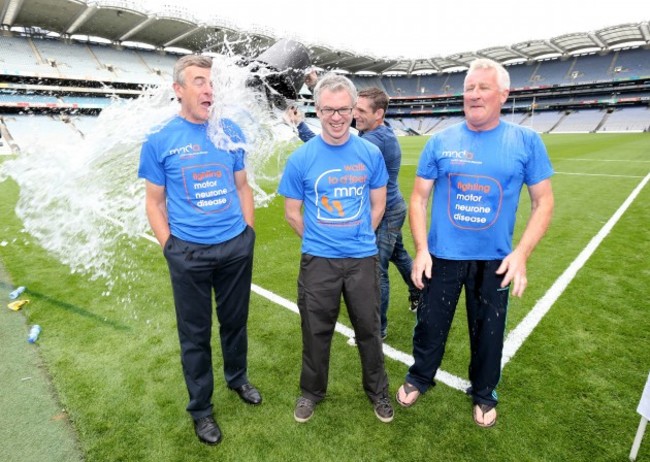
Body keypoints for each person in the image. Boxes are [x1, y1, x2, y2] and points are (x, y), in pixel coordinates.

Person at [395, 58, 554, 428]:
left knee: (489, 332)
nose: (474, 94)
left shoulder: (526, 142)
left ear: (503, 94)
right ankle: (420, 375)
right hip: (442, 256)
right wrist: (420, 249)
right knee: (430, 325)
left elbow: (543, 202)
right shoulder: (441, 141)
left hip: (495, 259)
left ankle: (484, 392)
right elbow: (418, 198)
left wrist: (522, 253)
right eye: (469, 88)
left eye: (483, 87)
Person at [138, 54, 262, 446]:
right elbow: (154, 202)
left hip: (234, 248)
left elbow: (242, 186)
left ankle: (237, 378)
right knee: (195, 335)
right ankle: (201, 409)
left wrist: (248, 234)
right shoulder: (160, 138)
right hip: (188, 254)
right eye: (199, 81)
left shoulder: (228, 131)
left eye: (211, 82)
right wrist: (170, 247)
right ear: (179, 90)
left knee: (234, 322)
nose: (209, 89)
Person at [278, 72, 394, 424]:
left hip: (361, 259)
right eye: (329, 110)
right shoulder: (302, 159)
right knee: (315, 331)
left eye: (344, 109)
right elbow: (292, 213)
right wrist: (320, 241)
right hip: (318, 261)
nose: (337, 117)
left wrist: (359, 236)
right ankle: (311, 392)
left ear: (353, 109)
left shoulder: (370, 153)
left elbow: (379, 204)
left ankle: (379, 392)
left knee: (369, 330)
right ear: (317, 109)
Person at [286, 87, 422, 341]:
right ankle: (420, 290)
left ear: (378, 114)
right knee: (399, 255)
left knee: (376, 269)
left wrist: (301, 126)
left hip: (385, 211)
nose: (354, 114)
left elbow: (334, 149)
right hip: (391, 206)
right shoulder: (373, 131)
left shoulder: (373, 140)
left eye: (360, 110)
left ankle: (377, 329)